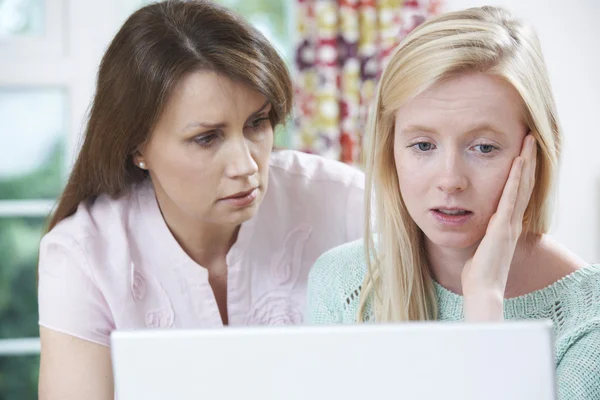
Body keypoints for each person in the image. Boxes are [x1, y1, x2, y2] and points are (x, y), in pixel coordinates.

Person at [37, 1, 365, 398]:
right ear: (136, 145)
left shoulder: (347, 202)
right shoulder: (83, 256)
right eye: (207, 138)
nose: (246, 165)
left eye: (257, 124)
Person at [307, 6, 600, 398]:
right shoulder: (342, 283)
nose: (450, 180)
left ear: (533, 154)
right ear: (390, 148)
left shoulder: (588, 321)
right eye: (423, 145)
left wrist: (484, 305)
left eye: (483, 147)